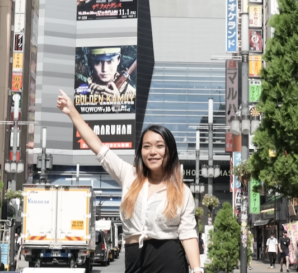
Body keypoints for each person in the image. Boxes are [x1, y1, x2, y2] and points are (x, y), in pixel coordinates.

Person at [57, 91, 201, 273]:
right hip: (135, 260)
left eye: (159, 145)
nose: (152, 151)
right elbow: (98, 147)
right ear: (141, 152)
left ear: (169, 151)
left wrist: (197, 269)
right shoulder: (129, 176)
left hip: (169, 261)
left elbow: (188, 233)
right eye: (146, 146)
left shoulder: (182, 191)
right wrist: (72, 112)